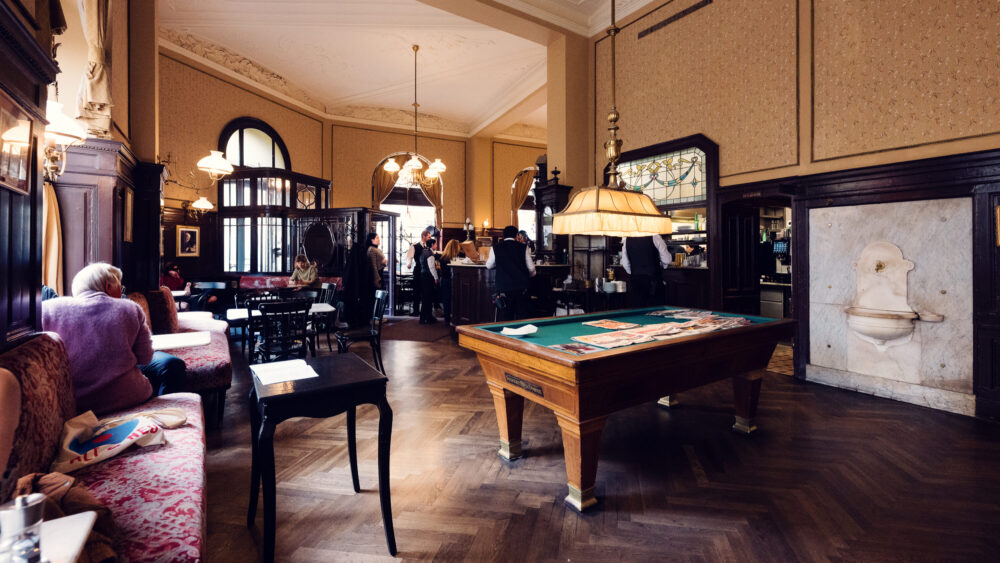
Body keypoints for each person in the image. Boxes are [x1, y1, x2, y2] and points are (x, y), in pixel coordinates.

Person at [41, 263, 186, 415]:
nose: (122, 292)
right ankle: (170, 415)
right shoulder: (130, 308)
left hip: (78, 404)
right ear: (108, 286)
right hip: (128, 398)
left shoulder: (47, 309)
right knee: (170, 366)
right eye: (120, 287)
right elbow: (145, 357)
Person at [486, 225, 536, 321]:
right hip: (521, 288)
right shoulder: (523, 247)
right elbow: (531, 268)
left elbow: (489, 266)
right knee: (522, 317)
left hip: (504, 288)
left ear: (503, 236)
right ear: (516, 235)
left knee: (506, 317)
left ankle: (506, 335)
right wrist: (526, 277)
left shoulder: (495, 248)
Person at [621, 235, 672, 308]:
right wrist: (664, 266)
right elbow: (667, 260)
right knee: (656, 312)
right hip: (653, 281)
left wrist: (635, 272)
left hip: (636, 282)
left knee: (638, 311)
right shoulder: (655, 237)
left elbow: (625, 263)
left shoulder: (627, 239)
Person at [406, 229, 431, 316]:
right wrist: (409, 263)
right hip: (418, 270)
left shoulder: (429, 247)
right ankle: (416, 311)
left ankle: (424, 311)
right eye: (428, 237)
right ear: (423, 236)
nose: (429, 238)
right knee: (416, 291)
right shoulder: (415, 246)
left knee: (425, 291)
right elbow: (410, 256)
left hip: (427, 272)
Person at [439, 240, 462, 324]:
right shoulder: (459, 256)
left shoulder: (443, 257)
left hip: (444, 280)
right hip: (454, 281)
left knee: (446, 300)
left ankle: (447, 319)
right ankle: (456, 318)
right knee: (456, 300)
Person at [419, 238, 439, 324]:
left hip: (423, 275)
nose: (436, 245)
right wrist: (436, 277)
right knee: (429, 298)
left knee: (425, 298)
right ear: (432, 245)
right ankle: (428, 317)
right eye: (435, 244)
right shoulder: (430, 254)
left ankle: (424, 317)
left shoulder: (423, 251)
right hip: (428, 277)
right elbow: (431, 267)